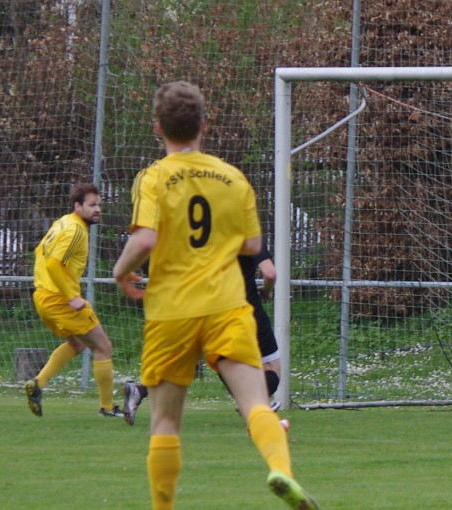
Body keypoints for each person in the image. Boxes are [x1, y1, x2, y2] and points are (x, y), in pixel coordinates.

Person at [112, 80, 318, 509]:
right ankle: (281, 469)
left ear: (158, 127)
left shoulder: (153, 177)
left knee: (166, 420)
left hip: (173, 309)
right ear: (204, 125)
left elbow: (146, 239)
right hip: (227, 306)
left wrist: (121, 272)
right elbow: (252, 246)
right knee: (256, 405)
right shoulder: (233, 177)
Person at [122, 247, 285, 426]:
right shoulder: (245, 231)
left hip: (205, 309)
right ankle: (254, 405)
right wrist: (267, 291)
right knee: (271, 368)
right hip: (244, 312)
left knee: (191, 362)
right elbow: (269, 273)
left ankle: (140, 390)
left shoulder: (205, 234)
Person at [24, 182, 122, 418]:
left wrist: (46, 287)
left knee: (77, 344)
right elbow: (54, 263)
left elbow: (40, 252)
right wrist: (71, 296)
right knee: (103, 347)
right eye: (92, 205)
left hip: (43, 296)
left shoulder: (62, 222)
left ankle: (38, 384)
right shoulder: (76, 230)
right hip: (59, 299)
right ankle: (107, 408)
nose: (97, 209)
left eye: (99, 204)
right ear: (77, 206)